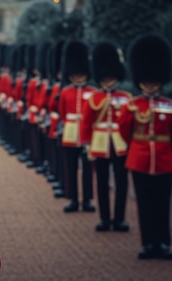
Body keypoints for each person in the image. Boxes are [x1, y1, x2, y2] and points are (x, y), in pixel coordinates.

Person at [118, 34, 172, 260]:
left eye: (154, 82)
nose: (150, 85)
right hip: (139, 159)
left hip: (164, 160)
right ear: (140, 81)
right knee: (144, 204)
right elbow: (124, 130)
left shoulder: (170, 106)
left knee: (163, 204)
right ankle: (148, 243)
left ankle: (163, 243)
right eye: (147, 82)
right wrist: (136, 147)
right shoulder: (132, 105)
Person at [80, 42, 131, 232]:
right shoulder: (94, 98)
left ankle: (119, 219)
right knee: (101, 182)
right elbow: (86, 123)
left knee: (121, 181)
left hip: (120, 144)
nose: (108, 82)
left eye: (111, 78)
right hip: (100, 144)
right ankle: (105, 219)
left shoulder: (126, 98)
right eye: (105, 79)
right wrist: (87, 145)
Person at [58, 40, 96, 213]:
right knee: (71, 167)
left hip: (88, 134)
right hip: (71, 131)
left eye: (81, 74)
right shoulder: (66, 92)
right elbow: (63, 113)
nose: (78, 77)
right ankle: (73, 199)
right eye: (75, 74)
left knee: (88, 169)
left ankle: (87, 199)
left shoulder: (93, 92)